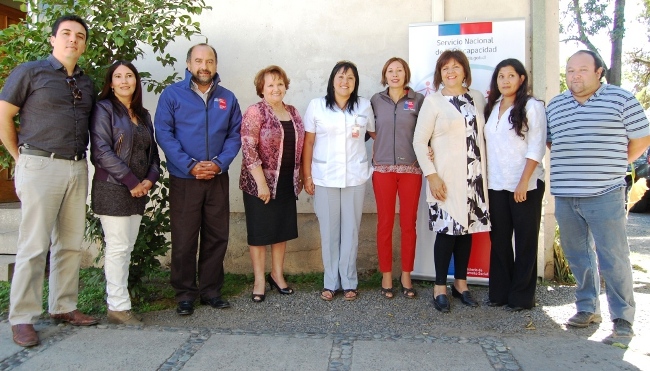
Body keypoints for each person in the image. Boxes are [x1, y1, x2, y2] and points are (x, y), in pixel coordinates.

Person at [0, 15, 98, 347]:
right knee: (34, 245)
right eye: (67, 34)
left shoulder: (86, 82)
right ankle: (23, 317)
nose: (73, 39)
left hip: (76, 167)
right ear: (52, 39)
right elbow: (4, 115)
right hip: (40, 164)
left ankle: (63, 305)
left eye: (80, 36)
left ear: (84, 45)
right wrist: (20, 159)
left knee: (70, 242)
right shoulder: (30, 72)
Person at [547, 50, 650, 337]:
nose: (575, 75)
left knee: (613, 256)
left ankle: (623, 317)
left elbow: (642, 140)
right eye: (569, 70)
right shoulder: (555, 106)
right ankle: (587, 308)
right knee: (579, 256)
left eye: (581, 70)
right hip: (567, 195)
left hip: (605, 193)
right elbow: (552, 144)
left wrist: (614, 165)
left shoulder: (620, 99)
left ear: (598, 72)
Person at [154, 43, 242, 316]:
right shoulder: (172, 95)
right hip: (185, 178)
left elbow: (235, 135)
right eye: (199, 61)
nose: (204, 66)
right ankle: (184, 293)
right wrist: (189, 165)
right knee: (184, 237)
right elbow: (164, 133)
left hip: (216, 177)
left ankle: (211, 290)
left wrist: (217, 164)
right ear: (189, 64)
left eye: (210, 61)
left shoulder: (228, 98)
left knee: (217, 236)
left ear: (215, 65)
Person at [413, 50, 490, 313]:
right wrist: (431, 175)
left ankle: (461, 284)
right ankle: (439, 288)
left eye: (456, 67)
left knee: (466, 232)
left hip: (474, 179)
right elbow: (419, 141)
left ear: (465, 71)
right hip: (444, 178)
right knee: (447, 233)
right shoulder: (433, 102)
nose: (451, 72)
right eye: (445, 68)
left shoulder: (476, 98)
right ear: (439, 74)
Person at [90, 61, 161, 324]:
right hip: (113, 188)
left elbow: (152, 153)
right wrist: (132, 181)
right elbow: (101, 151)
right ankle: (117, 306)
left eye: (129, 76)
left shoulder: (143, 114)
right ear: (110, 82)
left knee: (127, 247)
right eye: (117, 76)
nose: (123, 81)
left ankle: (120, 304)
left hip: (138, 191)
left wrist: (149, 181)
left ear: (136, 81)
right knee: (118, 248)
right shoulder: (103, 109)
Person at [303, 61, 375, 301]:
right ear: (333, 79)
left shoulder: (364, 106)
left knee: (351, 231)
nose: (345, 82)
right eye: (341, 77)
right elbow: (309, 143)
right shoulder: (317, 106)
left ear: (355, 83)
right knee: (329, 231)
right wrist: (307, 176)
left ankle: (350, 282)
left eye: (351, 78)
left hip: (355, 177)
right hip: (325, 177)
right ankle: (331, 282)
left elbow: (377, 135)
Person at [483, 59, 546, 311]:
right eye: (500, 76)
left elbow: (536, 146)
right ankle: (499, 293)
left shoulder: (531, 106)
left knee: (525, 241)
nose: (505, 80)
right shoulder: (493, 106)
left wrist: (523, 182)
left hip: (525, 186)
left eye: (511, 75)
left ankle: (521, 297)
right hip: (496, 184)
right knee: (499, 240)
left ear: (521, 79)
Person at [239, 65, 305, 303]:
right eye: (270, 85)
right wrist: (261, 184)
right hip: (260, 183)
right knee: (259, 233)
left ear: (285, 86)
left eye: (279, 83)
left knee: (281, 230)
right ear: (261, 89)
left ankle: (276, 274)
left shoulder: (294, 112)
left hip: (286, 180)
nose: (276, 88)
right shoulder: (255, 112)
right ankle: (258, 280)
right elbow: (248, 148)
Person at [369, 57, 425, 299]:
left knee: (408, 225)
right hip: (383, 170)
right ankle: (386, 275)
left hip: (411, 169)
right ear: (385, 75)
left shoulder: (418, 100)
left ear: (406, 74)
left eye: (399, 70)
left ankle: (406, 275)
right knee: (384, 224)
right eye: (390, 71)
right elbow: (369, 129)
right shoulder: (375, 101)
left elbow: (426, 131)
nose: (394, 74)